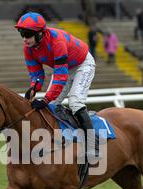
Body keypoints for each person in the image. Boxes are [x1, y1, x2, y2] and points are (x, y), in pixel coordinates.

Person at [14, 12, 97, 157]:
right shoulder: (28, 48)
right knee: (52, 106)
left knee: (75, 102)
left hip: (83, 64)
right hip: (63, 68)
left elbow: (60, 76)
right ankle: (57, 141)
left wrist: (45, 100)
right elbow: (36, 74)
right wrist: (34, 88)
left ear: (40, 34)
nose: (24, 39)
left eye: (27, 34)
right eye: (22, 33)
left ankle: (93, 144)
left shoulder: (56, 41)